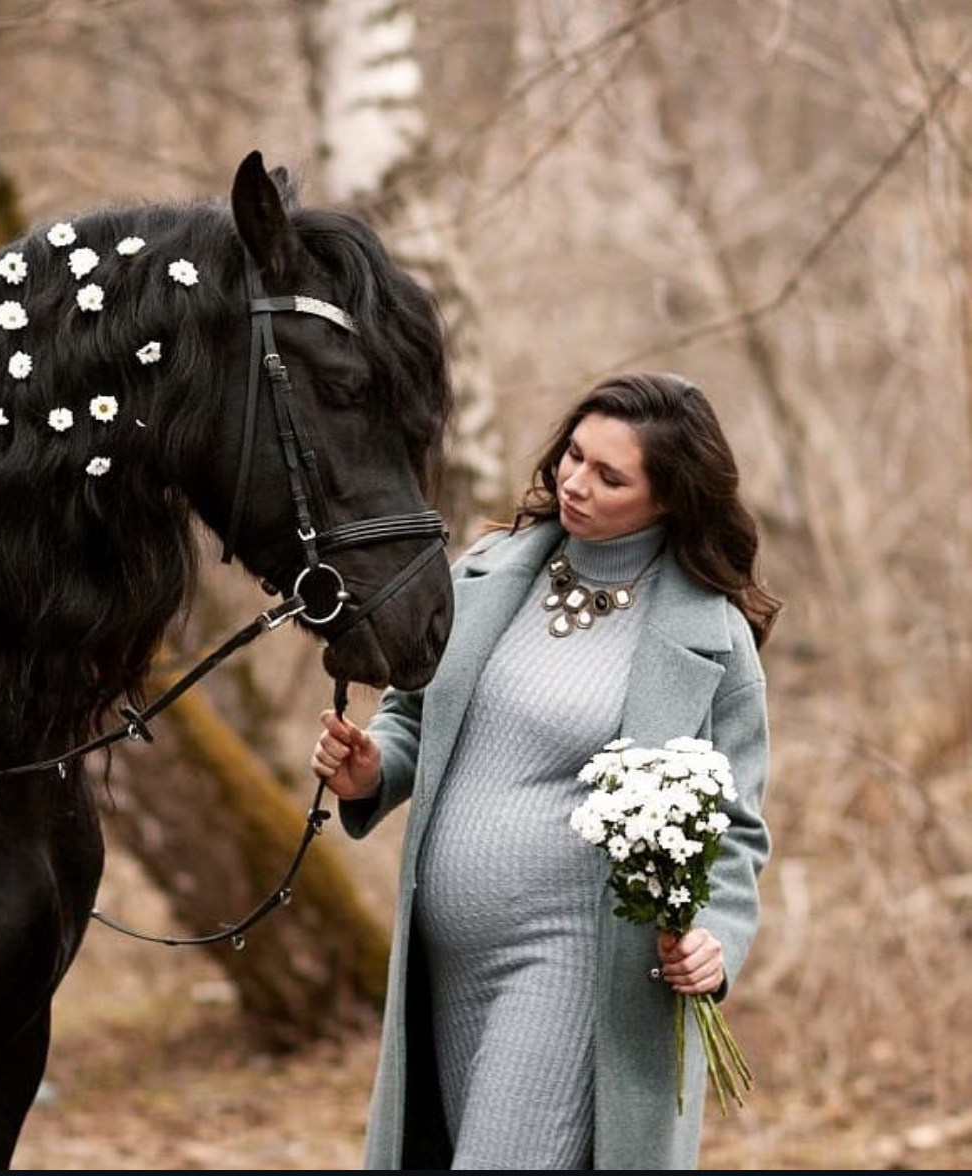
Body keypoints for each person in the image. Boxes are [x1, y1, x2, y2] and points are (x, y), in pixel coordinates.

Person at [310, 371, 781, 1170]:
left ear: (668, 498)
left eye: (610, 476)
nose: (573, 482)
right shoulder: (488, 572)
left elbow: (733, 829)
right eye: (572, 455)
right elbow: (415, 718)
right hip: (443, 963)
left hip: (575, 966)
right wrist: (369, 770)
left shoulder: (711, 640)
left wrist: (716, 939)